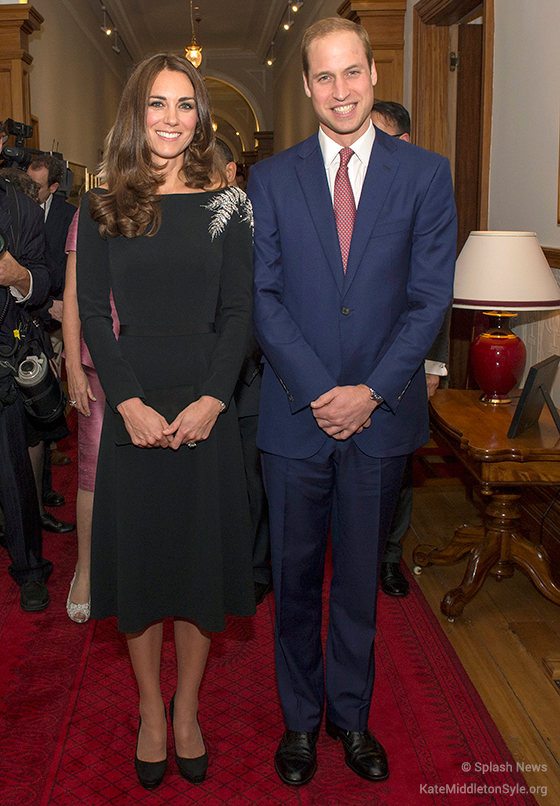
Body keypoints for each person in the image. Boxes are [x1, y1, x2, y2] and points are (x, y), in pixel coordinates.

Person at [247, 17, 456, 786]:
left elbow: (431, 297)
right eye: (324, 77)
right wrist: (319, 391)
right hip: (295, 419)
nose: (340, 90)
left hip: (381, 416)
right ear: (306, 87)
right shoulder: (269, 180)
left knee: (360, 583)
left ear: (374, 74)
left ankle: (351, 716)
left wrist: (369, 392)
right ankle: (300, 724)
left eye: (352, 73)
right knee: (296, 580)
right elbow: (263, 298)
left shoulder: (425, 175)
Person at [76, 53, 255, 790]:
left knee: (197, 569)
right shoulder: (102, 202)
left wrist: (213, 400)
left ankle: (187, 711)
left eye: (186, 105)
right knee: (146, 571)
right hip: (135, 405)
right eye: (158, 104)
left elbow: (241, 312)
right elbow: (89, 315)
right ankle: (151, 709)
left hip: (207, 404)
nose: (172, 119)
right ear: (136, 111)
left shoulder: (230, 204)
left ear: (201, 117)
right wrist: (129, 403)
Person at [371, 100, 450, 597]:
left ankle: (389, 556)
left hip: (405, 360)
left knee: (398, 469)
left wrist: (432, 365)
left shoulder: (426, 187)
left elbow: (435, 293)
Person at [0, 101, 52, 612]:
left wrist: (19, 278)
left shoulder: (21, 207)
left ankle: (30, 567)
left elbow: (45, 279)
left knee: (11, 471)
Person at [215, 140, 272, 606]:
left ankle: (254, 567)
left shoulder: (260, 220)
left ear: (231, 172)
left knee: (253, 481)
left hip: (249, 378)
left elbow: (264, 302)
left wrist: (236, 365)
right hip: (196, 376)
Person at [62, 208, 119, 622]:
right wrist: (73, 366)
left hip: (155, 360)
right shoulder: (93, 210)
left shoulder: (177, 199)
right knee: (93, 469)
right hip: (97, 359)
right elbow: (72, 294)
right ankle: (86, 567)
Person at [28, 153, 76, 469]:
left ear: (54, 186)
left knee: (52, 383)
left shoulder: (69, 215)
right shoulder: (13, 210)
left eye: (37, 187)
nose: (30, 192)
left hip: (59, 315)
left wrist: (60, 305)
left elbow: (67, 271)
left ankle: (51, 445)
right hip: (28, 311)